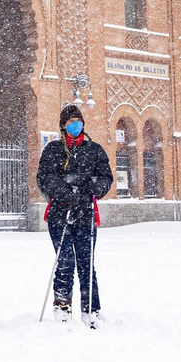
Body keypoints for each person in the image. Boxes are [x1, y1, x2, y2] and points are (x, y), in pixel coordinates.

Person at [37, 104, 113, 323]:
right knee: (65, 262)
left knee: (87, 264)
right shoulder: (53, 149)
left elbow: (105, 178)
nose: (75, 125)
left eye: (78, 121)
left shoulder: (94, 150)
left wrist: (92, 186)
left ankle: (91, 310)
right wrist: (65, 193)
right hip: (59, 215)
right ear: (63, 126)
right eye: (70, 122)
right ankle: (62, 308)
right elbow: (45, 178)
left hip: (85, 215)